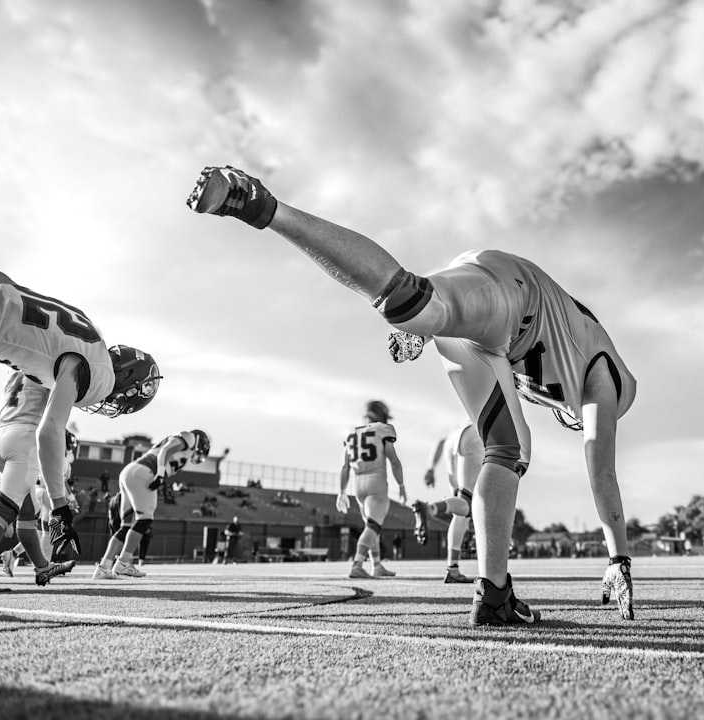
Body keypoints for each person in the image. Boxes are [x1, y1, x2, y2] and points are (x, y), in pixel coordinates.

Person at [188, 166, 637, 625]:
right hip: (519, 298)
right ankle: (262, 204)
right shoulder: (612, 384)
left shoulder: (571, 365)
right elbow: (600, 470)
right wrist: (618, 559)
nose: (573, 416)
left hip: (491, 321)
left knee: (508, 448)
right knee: (410, 299)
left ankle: (495, 594)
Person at [0, 271, 161, 616]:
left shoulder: (83, 328)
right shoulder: (100, 373)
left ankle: (38, 566)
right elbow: (49, 431)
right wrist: (60, 509)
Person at [0, 371, 78, 593]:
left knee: (26, 512)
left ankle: (43, 567)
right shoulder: (50, 366)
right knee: (4, 511)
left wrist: (0, 453)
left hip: (2, 437)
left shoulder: (16, 373)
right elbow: (54, 423)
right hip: (26, 438)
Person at [92, 429, 210, 579]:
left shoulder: (185, 451)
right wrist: (160, 474)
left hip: (132, 472)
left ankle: (104, 567)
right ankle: (123, 562)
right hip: (144, 471)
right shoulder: (189, 438)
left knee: (126, 526)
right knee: (145, 519)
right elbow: (166, 451)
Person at [337, 400, 405, 579]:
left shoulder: (350, 432)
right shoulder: (383, 429)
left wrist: (341, 492)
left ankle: (377, 565)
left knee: (371, 527)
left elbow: (345, 467)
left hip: (357, 484)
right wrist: (401, 485)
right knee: (372, 527)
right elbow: (394, 461)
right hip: (376, 481)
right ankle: (357, 564)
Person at [412, 420, 482, 583]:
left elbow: (441, 442)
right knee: (468, 504)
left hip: (452, 442)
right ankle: (431, 509)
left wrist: (430, 468)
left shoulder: (458, 423)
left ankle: (452, 569)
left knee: (460, 510)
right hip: (473, 435)